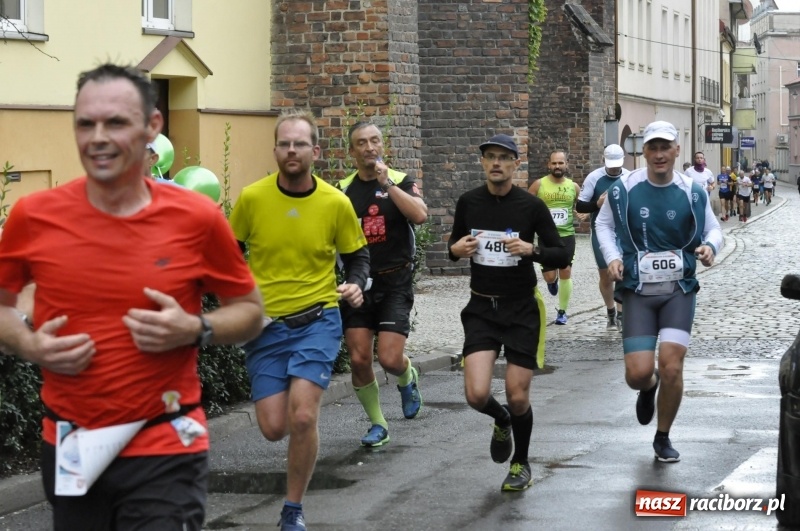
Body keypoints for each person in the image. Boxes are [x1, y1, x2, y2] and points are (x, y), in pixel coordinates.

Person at [0, 63, 264, 530]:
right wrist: (29, 344)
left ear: (152, 126)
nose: (98, 137)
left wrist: (196, 327)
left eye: (116, 122)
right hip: (71, 441)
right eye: (86, 123)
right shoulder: (34, 216)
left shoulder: (196, 218)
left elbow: (250, 312)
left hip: (165, 438)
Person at [229, 109, 369, 531]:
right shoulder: (252, 199)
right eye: (285, 144)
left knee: (304, 417)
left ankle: (293, 509)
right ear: (275, 150)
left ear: (315, 151)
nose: (292, 150)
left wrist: (356, 283)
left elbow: (358, 255)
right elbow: (228, 255)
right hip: (266, 327)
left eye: (300, 144)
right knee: (274, 428)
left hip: (318, 320)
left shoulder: (335, 202)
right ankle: (296, 450)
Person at [595, 120, 722, 463]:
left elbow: (713, 228)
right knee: (638, 374)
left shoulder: (692, 191)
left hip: (679, 290)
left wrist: (710, 247)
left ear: (677, 150)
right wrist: (613, 256)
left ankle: (663, 436)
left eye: (666, 147)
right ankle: (648, 387)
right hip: (638, 291)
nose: (659, 154)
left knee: (672, 366)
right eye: (653, 147)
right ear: (644, 151)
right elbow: (603, 224)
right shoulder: (624, 189)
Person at [448, 134, 569, 491]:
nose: (496, 163)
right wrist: (455, 250)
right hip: (482, 307)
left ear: (516, 164)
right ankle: (501, 419)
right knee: (475, 394)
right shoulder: (469, 202)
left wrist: (532, 250)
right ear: (483, 163)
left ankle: (521, 462)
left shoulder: (531, 206)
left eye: (504, 157)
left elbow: (562, 253)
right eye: (490, 157)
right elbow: (455, 245)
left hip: (521, 309)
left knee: (517, 394)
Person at [335, 122, 428, 447]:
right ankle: (378, 423)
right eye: (361, 142)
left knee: (389, 358)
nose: (369, 147)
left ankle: (407, 375)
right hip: (357, 285)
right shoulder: (342, 190)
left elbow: (420, 216)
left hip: (395, 281)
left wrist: (386, 183)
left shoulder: (401, 180)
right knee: (360, 359)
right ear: (352, 151)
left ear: (382, 145)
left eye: (374, 140)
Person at [576, 144, 629, 330]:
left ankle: (621, 314)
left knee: (621, 272)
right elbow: (580, 206)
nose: (614, 168)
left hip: (623, 231)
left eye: (617, 164)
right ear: (604, 161)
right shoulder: (594, 178)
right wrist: (597, 204)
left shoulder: (629, 177)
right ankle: (611, 311)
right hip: (601, 231)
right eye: (611, 164)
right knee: (606, 275)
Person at [527, 150, 582, 325]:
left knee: (566, 271)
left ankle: (562, 312)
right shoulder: (539, 184)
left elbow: (582, 206)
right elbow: (525, 205)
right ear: (549, 165)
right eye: (554, 163)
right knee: (550, 276)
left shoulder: (573, 186)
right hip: (546, 237)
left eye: (561, 163)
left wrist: (584, 213)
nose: (557, 166)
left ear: (566, 164)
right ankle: (552, 282)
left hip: (567, 235)